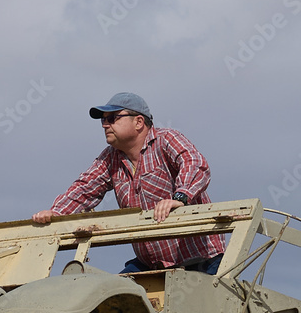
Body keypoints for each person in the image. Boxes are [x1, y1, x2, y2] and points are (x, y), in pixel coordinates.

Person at [32, 92, 225, 274]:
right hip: (152, 264)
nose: (104, 125)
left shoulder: (166, 139)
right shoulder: (110, 158)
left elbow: (194, 163)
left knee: (201, 305)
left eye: (112, 118)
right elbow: (85, 187)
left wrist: (180, 197)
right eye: (103, 119)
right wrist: (56, 213)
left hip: (202, 260)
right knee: (114, 300)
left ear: (139, 122)